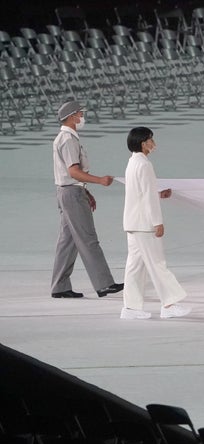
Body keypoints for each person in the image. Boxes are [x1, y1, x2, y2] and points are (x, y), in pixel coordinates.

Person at [51, 100, 124, 299]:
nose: (82, 116)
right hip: (72, 194)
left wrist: (86, 191)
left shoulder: (67, 138)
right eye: (80, 113)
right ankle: (104, 284)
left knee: (68, 241)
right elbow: (74, 171)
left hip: (69, 192)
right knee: (88, 238)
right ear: (72, 116)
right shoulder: (68, 140)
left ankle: (59, 286)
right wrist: (99, 181)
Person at [120, 127, 191, 319]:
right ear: (143, 143)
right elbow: (148, 198)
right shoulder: (145, 165)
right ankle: (169, 304)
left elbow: (141, 192)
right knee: (157, 263)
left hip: (133, 222)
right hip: (145, 224)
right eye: (151, 140)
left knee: (135, 266)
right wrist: (157, 222)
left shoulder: (132, 163)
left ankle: (131, 308)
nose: (154, 143)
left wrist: (158, 193)